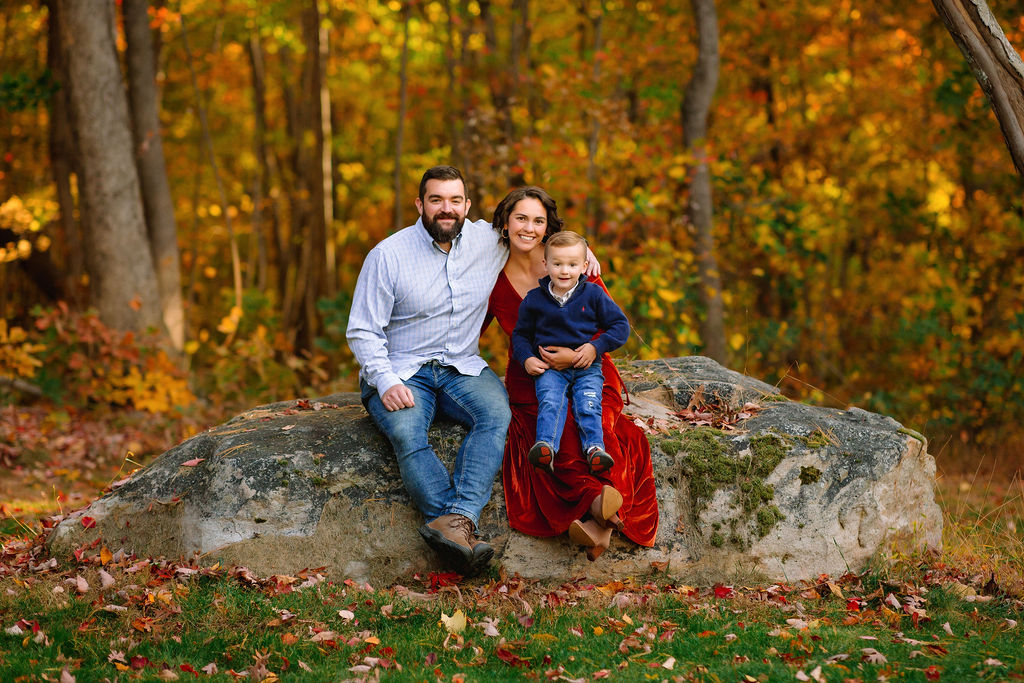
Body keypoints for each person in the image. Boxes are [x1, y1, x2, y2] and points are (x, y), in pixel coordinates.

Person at [346, 165, 512, 577]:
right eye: (436, 200)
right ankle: (457, 529)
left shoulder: (488, 241)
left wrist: (582, 250)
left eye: (455, 201)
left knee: (497, 415)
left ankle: (454, 522)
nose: (446, 209)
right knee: (405, 430)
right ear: (420, 204)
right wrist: (384, 381)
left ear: (467, 206)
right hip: (402, 368)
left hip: (461, 365)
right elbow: (363, 329)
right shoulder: (388, 255)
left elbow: (536, 234)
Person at [485, 186, 659, 561]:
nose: (528, 228)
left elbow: (611, 326)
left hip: (589, 369)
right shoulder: (487, 275)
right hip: (534, 378)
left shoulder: (575, 263)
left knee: (596, 426)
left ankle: (597, 521)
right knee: (558, 435)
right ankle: (600, 510)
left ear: (548, 226)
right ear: (504, 222)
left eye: (538, 220)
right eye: (520, 218)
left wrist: (582, 353)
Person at [511, 231, 629, 477]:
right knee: (550, 401)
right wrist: (527, 359)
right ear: (546, 264)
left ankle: (594, 450)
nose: (565, 271)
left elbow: (620, 327)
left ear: (584, 265)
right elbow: (520, 335)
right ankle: (545, 447)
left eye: (572, 264)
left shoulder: (593, 294)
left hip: (587, 367)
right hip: (550, 368)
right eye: (558, 264)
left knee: (588, 404)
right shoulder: (534, 300)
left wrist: (595, 347)